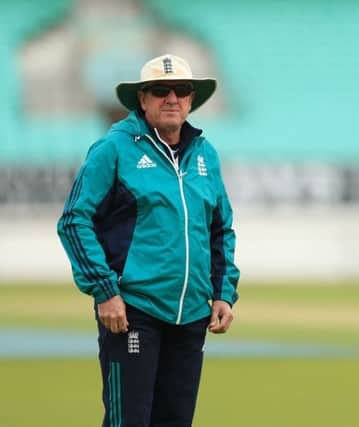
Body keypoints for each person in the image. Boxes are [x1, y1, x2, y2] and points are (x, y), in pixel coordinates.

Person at [57, 54, 240, 426]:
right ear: (142, 98)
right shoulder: (114, 149)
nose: (171, 98)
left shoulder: (205, 154)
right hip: (133, 311)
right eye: (160, 90)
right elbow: (74, 220)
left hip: (191, 314)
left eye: (182, 90)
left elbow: (220, 229)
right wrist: (105, 291)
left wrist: (223, 291)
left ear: (192, 100)